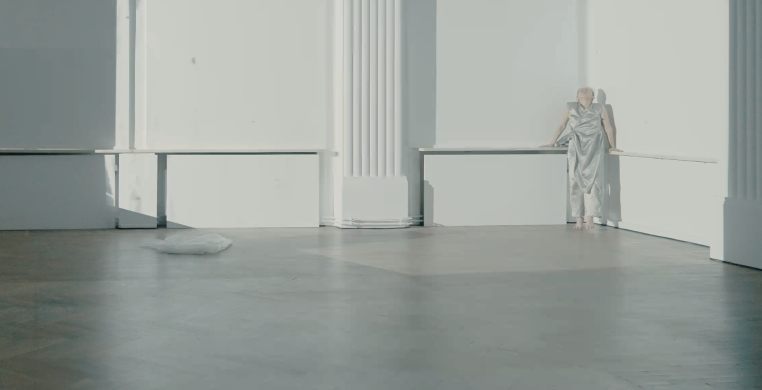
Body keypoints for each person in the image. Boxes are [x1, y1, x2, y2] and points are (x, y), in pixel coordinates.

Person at [544, 87, 620, 230]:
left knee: (595, 181)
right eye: (581, 91)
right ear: (577, 96)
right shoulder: (570, 107)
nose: (584, 91)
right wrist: (552, 142)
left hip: (594, 146)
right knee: (575, 181)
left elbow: (608, 127)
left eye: (587, 91)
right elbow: (561, 125)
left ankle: (589, 216)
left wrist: (612, 145)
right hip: (576, 146)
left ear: (593, 96)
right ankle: (578, 218)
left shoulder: (599, 107)